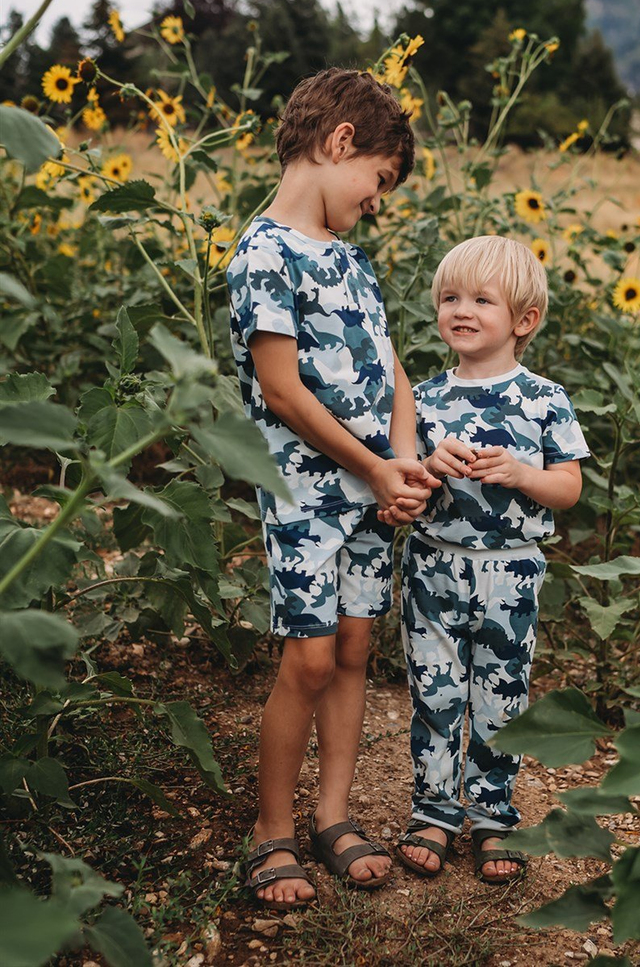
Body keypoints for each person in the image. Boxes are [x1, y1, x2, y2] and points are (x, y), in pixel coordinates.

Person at [227, 67, 438, 907]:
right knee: (308, 661)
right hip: (305, 495)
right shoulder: (263, 254)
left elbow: (390, 367)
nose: (379, 199)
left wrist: (404, 453)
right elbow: (282, 391)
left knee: (354, 651)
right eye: (380, 179)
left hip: (369, 492)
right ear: (340, 142)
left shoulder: (351, 262)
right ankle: (270, 831)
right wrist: (373, 466)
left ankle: (334, 815)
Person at [390, 236, 589, 883]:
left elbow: (568, 488)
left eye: (481, 299)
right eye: (449, 297)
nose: (461, 310)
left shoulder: (544, 399)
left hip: (512, 569)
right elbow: (401, 491)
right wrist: (426, 467)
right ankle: (435, 812)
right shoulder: (420, 399)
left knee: (501, 696)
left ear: (523, 321)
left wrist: (523, 473)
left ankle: (494, 813)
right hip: (433, 564)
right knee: (435, 691)